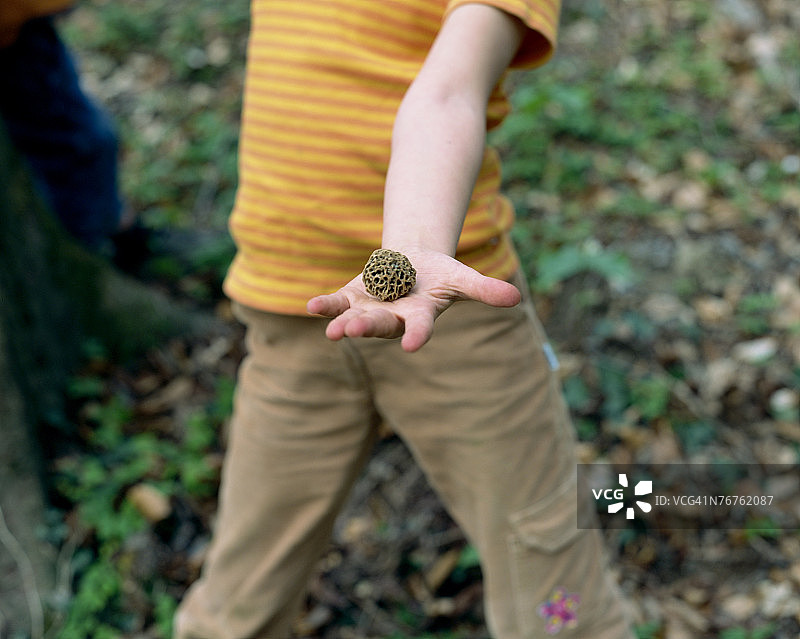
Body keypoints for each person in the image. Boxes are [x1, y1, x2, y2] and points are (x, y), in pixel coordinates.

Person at [175, 2, 635, 638]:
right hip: (289, 316)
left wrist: (413, 249)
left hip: (457, 320)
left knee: (547, 567)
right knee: (239, 594)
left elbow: (449, 93)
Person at [0, 0, 130, 254]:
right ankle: (94, 243)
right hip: (14, 43)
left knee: (85, 142)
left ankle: (111, 230)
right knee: (82, 146)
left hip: (24, 32)